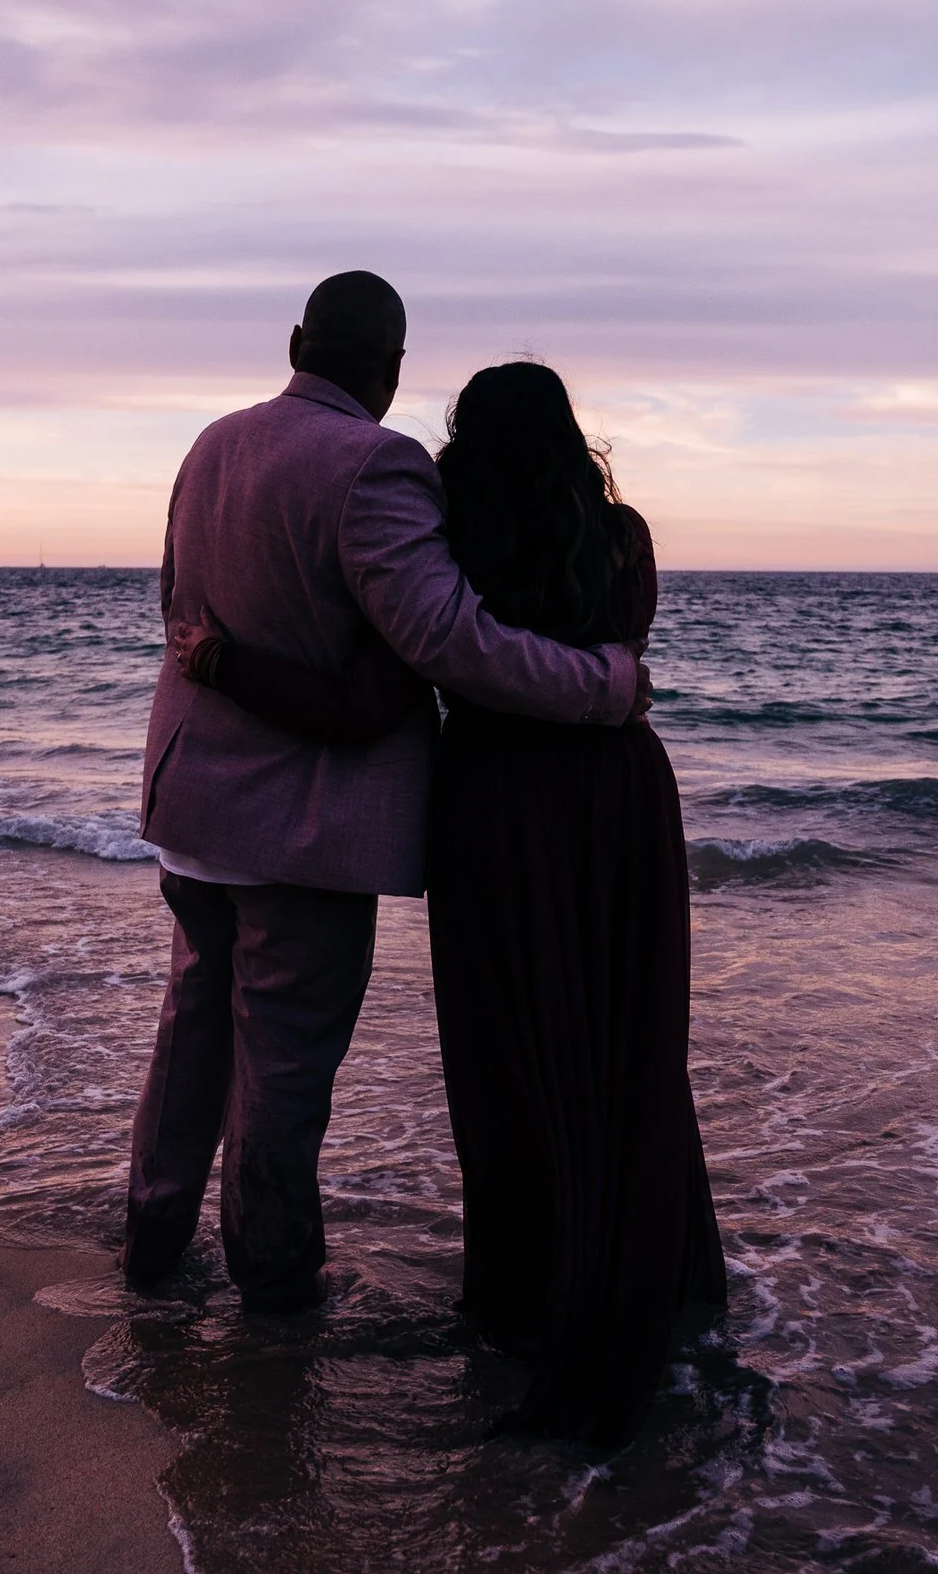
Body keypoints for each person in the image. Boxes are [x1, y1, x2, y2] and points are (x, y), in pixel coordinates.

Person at [171, 360, 725, 1447]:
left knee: (511, 1052)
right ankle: (644, 1274)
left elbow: (432, 659)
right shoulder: (624, 542)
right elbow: (621, 652)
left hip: (495, 804)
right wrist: (604, 690)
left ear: (466, 439)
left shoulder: (449, 539)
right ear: (570, 438)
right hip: (618, 797)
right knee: (627, 1043)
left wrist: (234, 666)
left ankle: (524, 1298)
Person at [129, 273, 647, 1316]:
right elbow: (446, 639)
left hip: (190, 810)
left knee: (192, 1032)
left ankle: (152, 1240)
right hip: (300, 828)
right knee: (282, 1063)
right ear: (394, 367)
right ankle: (270, 1283)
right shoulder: (376, 464)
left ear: (294, 342)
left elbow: (173, 600)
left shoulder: (211, 444)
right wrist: (603, 684)